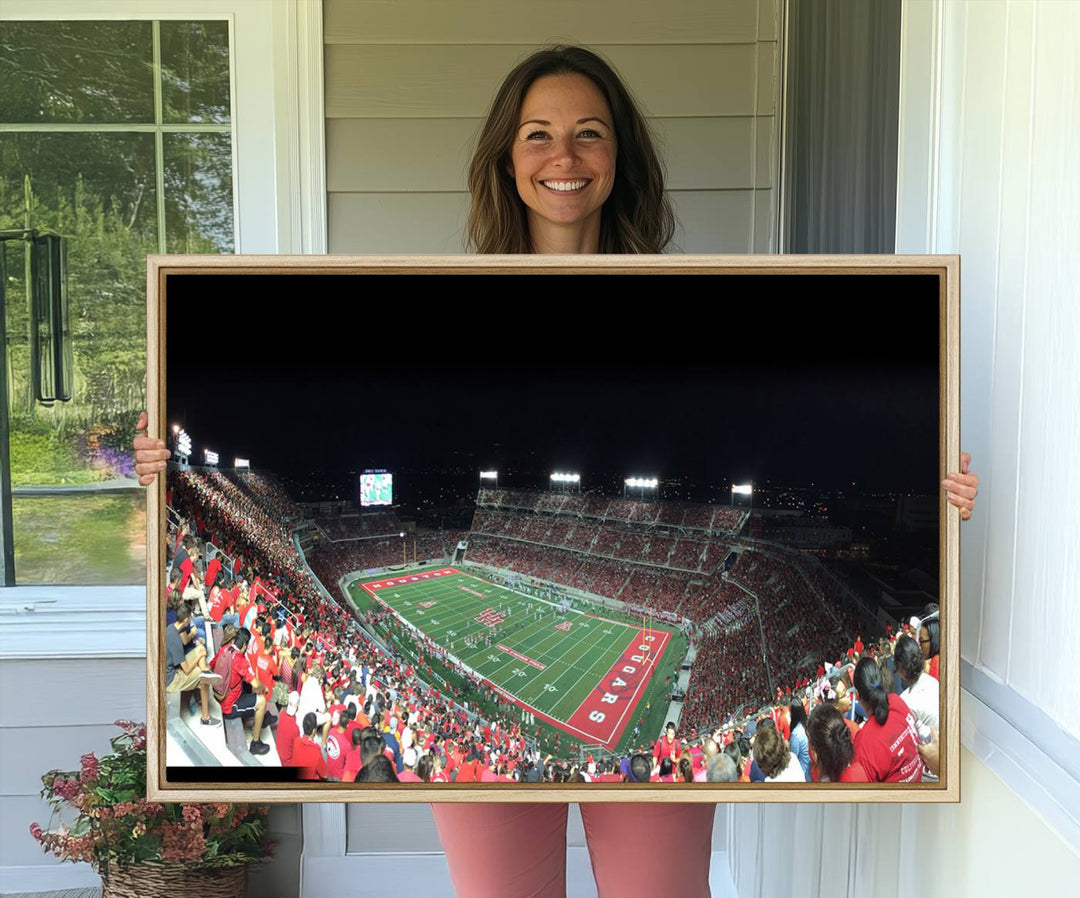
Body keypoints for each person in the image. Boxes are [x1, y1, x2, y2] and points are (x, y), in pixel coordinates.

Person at [135, 43, 980, 898]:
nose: (563, 157)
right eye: (538, 134)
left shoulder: (700, 305)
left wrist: (936, 491)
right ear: (507, 157)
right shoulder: (444, 305)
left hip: (647, 747)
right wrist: (158, 469)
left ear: (620, 159)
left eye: (589, 134)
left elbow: (756, 431)